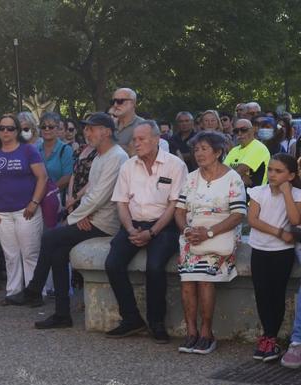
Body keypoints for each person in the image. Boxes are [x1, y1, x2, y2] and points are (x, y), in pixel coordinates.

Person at [20, 112, 128, 328]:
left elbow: (100, 196)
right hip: (91, 217)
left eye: (91, 128)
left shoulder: (117, 156)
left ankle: (33, 289)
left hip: (105, 223)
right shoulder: (99, 156)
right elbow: (91, 193)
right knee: (58, 251)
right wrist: (81, 214)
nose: (86, 133)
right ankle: (62, 314)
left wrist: (71, 218)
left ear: (106, 132)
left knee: (50, 237)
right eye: (86, 129)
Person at [105, 121, 187, 342]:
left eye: (141, 139)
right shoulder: (128, 166)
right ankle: (131, 318)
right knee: (113, 264)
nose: (136, 143)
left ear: (156, 140)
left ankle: (156, 322)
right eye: (134, 139)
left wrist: (152, 233)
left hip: (163, 225)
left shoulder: (175, 165)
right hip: (133, 223)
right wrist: (131, 229)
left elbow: (174, 205)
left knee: (155, 267)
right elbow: (121, 203)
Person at [175, 132, 246, 355]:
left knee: (204, 278)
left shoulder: (232, 178)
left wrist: (209, 232)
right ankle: (191, 332)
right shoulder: (191, 177)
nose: (199, 153)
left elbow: (238, 214)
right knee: (187, 279)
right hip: (192, 233)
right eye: (196, 149)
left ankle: (207, 332)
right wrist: (186, 230)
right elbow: (179, 210)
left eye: (204, 149)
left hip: (220, 232)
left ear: (217, 152)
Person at [0, 114, 47, 305]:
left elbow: (42, 177)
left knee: (30, 253)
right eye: (2, 128)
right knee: (10, 255)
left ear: (17, 131)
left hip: (26, 211)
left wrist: (34, 203)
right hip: (2, 213)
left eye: (10, 128)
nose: (5, 132)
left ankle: (35, 292)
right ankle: (13, 292)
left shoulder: (29, 151)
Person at [247, 154, 301, 361]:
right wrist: (279, 232)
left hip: (281, 252)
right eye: (270, 170)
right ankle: (266, 336)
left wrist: (286, 192)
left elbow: (295, 219)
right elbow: (253, 219)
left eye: (279, 171)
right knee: (261, 292)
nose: (272, 174)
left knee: (276, 294)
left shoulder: (296, 194)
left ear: (290, 175)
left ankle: (272, 338)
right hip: (260, 248)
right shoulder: (259, 192)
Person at [224, 118, 270, 188]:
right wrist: (242, 176)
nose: (239, 133)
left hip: (255, 195)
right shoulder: (234, 150)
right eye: (236, 131)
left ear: (252, 130)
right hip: (234, 193)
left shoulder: (258, 147)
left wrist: (239, 174)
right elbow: (222, 172)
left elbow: (239, 171)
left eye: (244, 130)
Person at [37, 112, 73, 193]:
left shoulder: (66, 150)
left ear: (57, 129)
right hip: (36, 198)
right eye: (43, 127)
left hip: (58, 198)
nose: (47, 129)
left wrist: (49, 191)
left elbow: (67, 177)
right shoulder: (35, 149)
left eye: (51, 127)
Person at [110, 88, 145, 155]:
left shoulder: (143, 126)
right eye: (113, 101)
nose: (115, 105)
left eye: (120, 101)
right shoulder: (110, 125)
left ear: (133, 103)